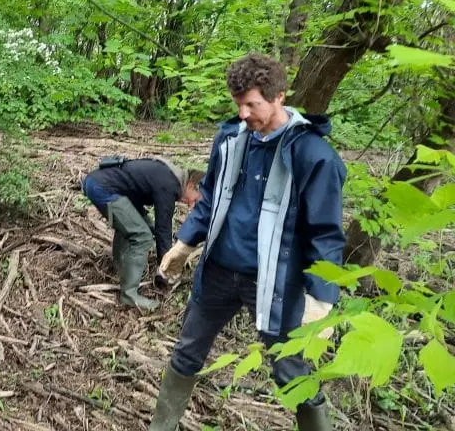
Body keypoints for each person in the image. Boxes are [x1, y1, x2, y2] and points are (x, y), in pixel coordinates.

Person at [151, 53, 345, 431]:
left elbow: (325, 231)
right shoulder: (231, 139)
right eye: (238, 104)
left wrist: (321, 299)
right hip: (220, 273)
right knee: (187, 351)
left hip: (276, 283)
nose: (243, 114)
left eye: (251, 104)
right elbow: (211, 196)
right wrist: (185, 243)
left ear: (279, 97)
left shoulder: (313, 155)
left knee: (290, 369)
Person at [82, 157, 203, 310]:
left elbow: (151, 222)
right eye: (197, 200)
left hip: (100, 183)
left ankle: (120, 267)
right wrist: (166, 268)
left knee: (135, 227)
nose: (193, 206)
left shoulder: (169, 177)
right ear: (191, 185)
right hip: (104, 188)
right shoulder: (170, 185)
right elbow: (163, 228)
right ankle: (129, 295)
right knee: (141, 236)